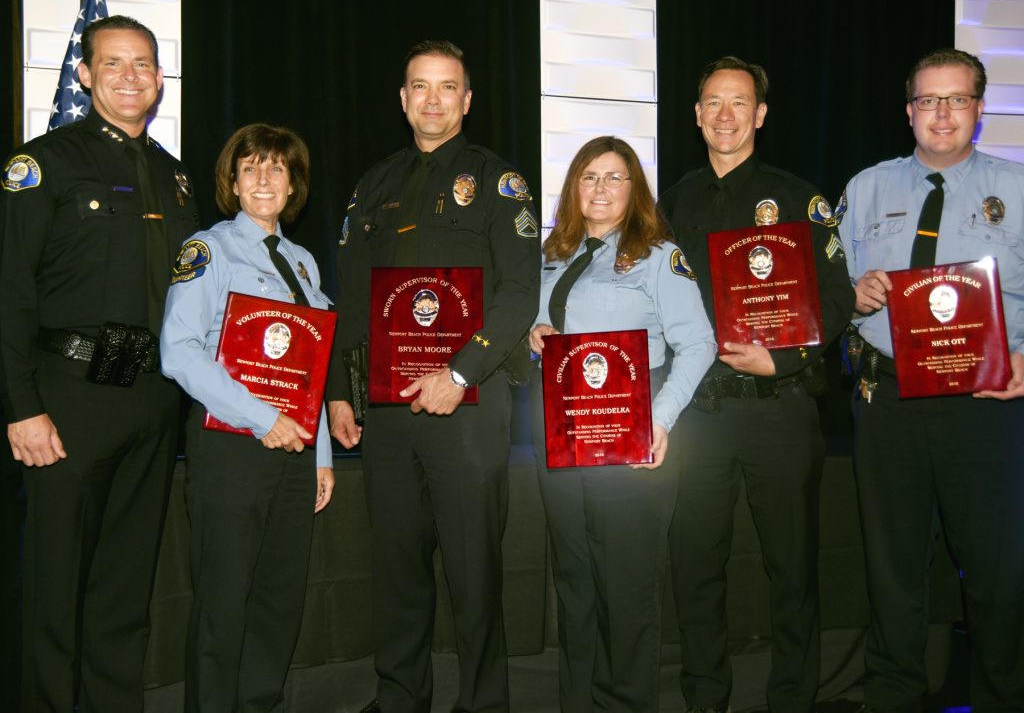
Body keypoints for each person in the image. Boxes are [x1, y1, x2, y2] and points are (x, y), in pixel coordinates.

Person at [326, 40, 540, 713]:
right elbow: (352, 297)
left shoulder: (501, 183)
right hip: (387, 410)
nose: (433, 99)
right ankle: (400, 698)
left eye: (447, 87)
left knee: (473, 572)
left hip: (470, 405)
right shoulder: (373, 185)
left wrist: (458, 371)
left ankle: (482, 703)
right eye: (420, 86)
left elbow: (519, 294)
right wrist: (339, 388)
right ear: (403, 98)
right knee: (397, 567)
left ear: (467, 100)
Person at [0, 14, 198, 713]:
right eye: (112, 63)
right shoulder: (43, 163)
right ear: (84, 75)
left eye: (142, 63)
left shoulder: (176, 179)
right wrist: (21, 404)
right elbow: (11, 290)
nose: (129, 76)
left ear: (159, 78)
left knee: (124, 579)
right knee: (55, 582)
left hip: (151, 398)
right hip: (68, 395)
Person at [658, 56, 855, 713]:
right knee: (695, 571)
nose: (724, 115)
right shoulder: (671, 201)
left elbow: (837, 293)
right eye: (712, 102)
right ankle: (704, 699)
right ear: (695, 114)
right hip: (697, 416)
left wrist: (787, 359)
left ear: (761, 115)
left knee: (792, 573)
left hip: (778, 408)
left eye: (738, 103)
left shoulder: (800, 198)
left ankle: (792, 701)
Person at [839, 48, 1024, 712]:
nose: (941, 114)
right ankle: (893, 696)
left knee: (998, 573)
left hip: (986, 403)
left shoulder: (1019, 188)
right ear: (908, 110)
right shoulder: (866, 189)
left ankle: (1004, 696)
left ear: (979, 108)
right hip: (887, 401)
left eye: (957, 99)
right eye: (928, 100)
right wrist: (852, 295)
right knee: (892, 571)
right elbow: (832, 288)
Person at [528, 136, 716, 712]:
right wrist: (533, 336)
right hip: (562, 435)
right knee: (576, 584)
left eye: (615, 177)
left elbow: (700, 344)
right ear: (573, 187)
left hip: (633, 438)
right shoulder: (550, 254)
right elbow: (537, 324)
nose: (602, 188)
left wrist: (656, 423)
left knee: (627, 590)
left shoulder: (659, 255)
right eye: (590, 176)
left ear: (634, 189)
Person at [159, 123, 335, 712]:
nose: (264, 178)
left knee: (279, 598)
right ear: (232, 183)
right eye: (251, 167)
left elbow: (314, 368)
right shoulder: (207, 250)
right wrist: (263, 419)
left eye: (277, 168)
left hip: (293, 452)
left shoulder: (304, 263)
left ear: (293, 186)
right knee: (224, 601)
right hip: (231, 445)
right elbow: (178, 351)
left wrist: (321, 456)